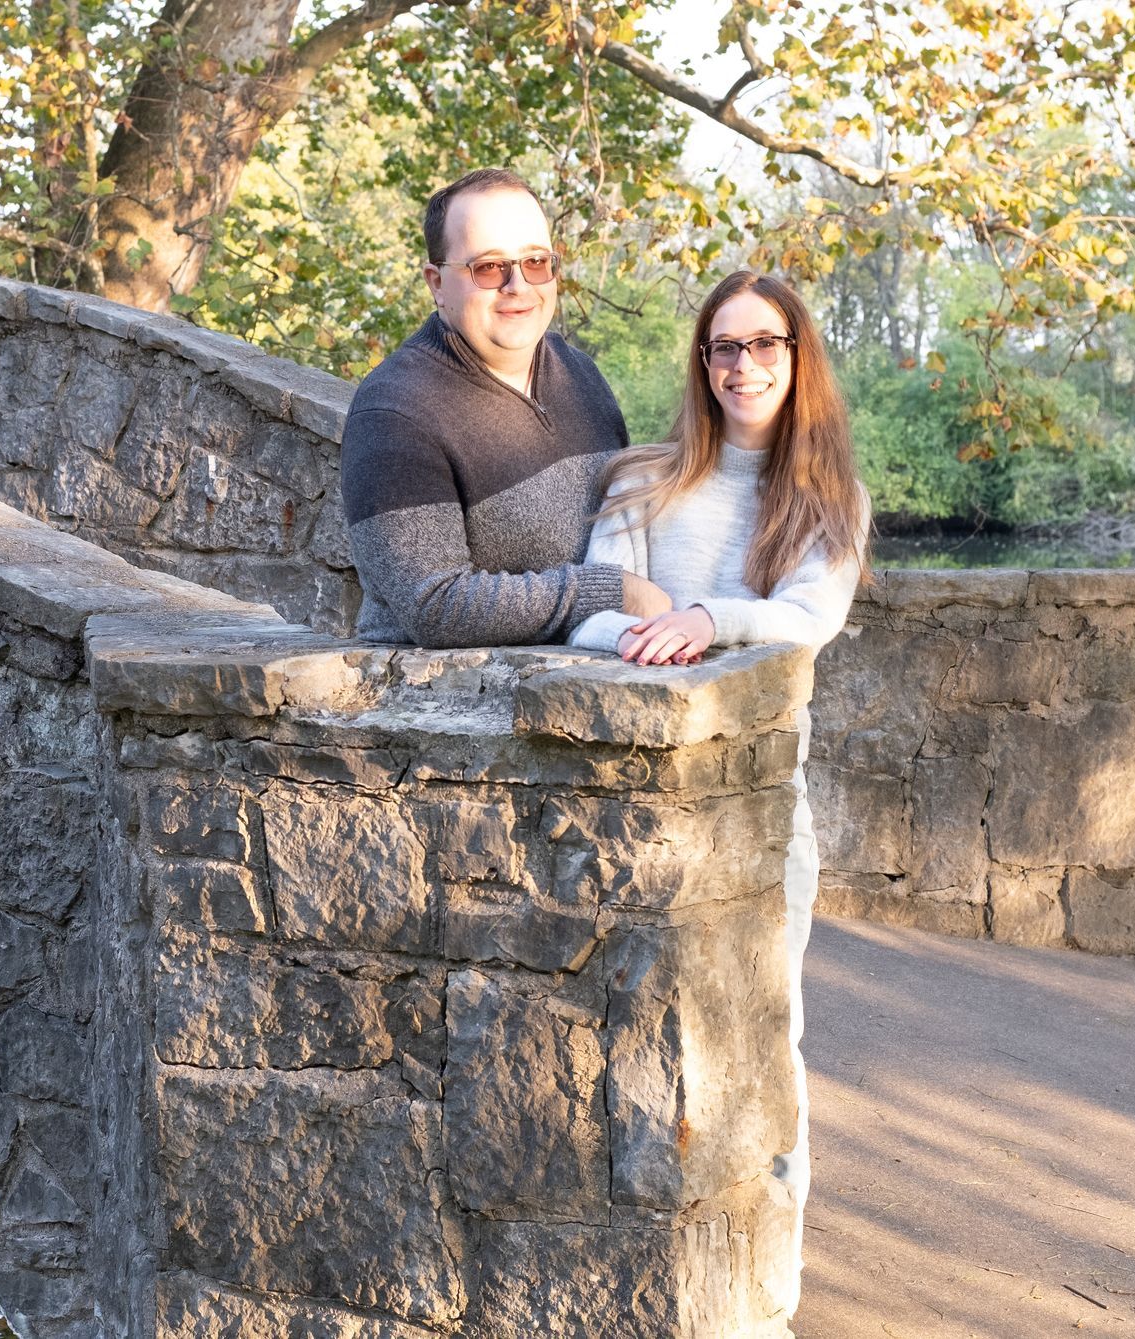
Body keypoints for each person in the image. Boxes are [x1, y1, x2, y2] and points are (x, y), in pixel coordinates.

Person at [568, 269, 872, 1318]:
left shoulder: (828, 500)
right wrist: (650, 634)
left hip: (763, 815)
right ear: (702, 364)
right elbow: (585, 618)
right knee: (626, 1049)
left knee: (760, 1043)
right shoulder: (642, 482)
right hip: (630, 820)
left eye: (766, 345)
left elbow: (806, 619)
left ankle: (766, 1298)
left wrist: (702, 615)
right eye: (724, 348)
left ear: (799, 357)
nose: (744, 366)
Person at [340, 167, 670, 647]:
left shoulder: (581, 377)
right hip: (452, 706)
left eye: (536, 262)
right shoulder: (395, 412)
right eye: (489, 268)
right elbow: (435, 606)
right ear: (436, 282)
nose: (518, 285)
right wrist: (611, 592)